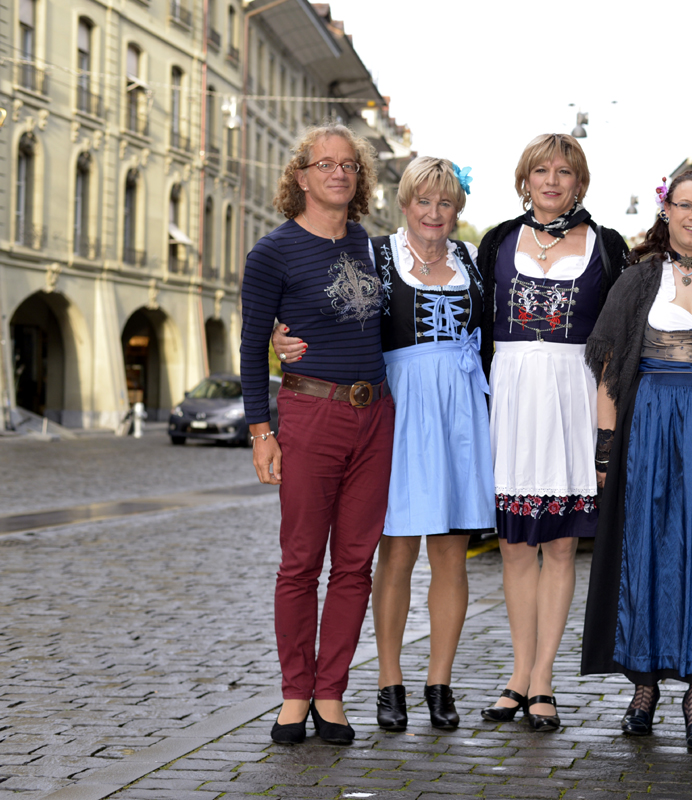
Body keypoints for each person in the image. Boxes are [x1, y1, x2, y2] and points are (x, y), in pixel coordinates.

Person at [272, 157, 491, 733]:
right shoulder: (374, 254)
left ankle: (439, 682)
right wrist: (280, 333)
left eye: (446, 202)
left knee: (451, 553)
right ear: (404, 203)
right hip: (397, 407)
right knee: (395, 550)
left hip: (459, 414)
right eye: (424, 201)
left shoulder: (472, 259)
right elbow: (324, 303)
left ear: (458, 208)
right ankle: (388, 682)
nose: (434, 213)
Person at [581, 170, 692, 752]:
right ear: (667, 210)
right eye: (685, 205)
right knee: (648, 552)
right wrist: (605, 450)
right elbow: (609, 370)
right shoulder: (638, 281)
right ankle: (644, 687)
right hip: (648, 425)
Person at [240, 123, 394, 746]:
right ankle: (294, 693)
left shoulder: (373, 248)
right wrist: (261, 431)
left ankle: (331, 693)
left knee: (355, 564)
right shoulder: (272, 252)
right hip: (310, 413)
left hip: (375, 415)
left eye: (348, 164)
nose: (338, 173)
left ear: (360, 178)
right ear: (300, 176)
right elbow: (252, 347)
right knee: (301, 561)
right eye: (324, 163)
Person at [475, 133, 629, 730]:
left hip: (574, 398)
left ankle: (544, 679)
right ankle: (517, 675)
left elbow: (619, 341)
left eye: (564, 171)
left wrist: (608, 432)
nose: (551, 180)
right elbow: (471, 324)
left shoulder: (607, 247)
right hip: (512, 399)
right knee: (515, 546)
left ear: (579, 182)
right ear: (525, 179)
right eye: (541, 170)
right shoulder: (496, 242)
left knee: (562, 545)